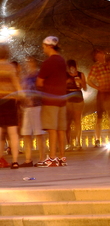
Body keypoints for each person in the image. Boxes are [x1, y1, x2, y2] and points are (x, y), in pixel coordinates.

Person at [36, 36, 69, 167]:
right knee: (61, 129)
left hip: (50, 99)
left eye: (44, 46)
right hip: (62, 99)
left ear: (49, 46)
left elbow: (39, 82)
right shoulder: (62, 61)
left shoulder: (48, 62)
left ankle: (52, 158)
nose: (43, 49)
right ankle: (62, 157)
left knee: (52, 129)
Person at [88, 49, 110, 147]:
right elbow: (89, 80)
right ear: (96, 57)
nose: (100, 57)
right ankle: (97, 139)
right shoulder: (95, 67)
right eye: (98, 56)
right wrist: (97, 87)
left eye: (101, 54)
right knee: (99, 118)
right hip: (102, 93)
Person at [19, 56, 46, 167]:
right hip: (26, 108)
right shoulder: (25, 77)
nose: (28, 64)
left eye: (30, 61)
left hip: (36, 106)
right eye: (27, 62)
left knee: (38, 133)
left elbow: (42, 89)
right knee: (26, 134)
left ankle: (42, 158)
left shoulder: (38, 75)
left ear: (34, 63)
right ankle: (28, 159)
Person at [0, 45, 21, 169]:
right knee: (13, 133)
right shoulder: (10, 67)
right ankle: (15, 161)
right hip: (10, 101)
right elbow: (16, 84)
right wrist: (22, 95)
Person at [65, 59, 87, 150]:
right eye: (70, 68)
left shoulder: (80, 74)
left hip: (78, 98)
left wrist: (81, 82)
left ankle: (78, 142)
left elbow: (85, 88)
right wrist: (67, 82)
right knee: (67, 122)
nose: (72, 70)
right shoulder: (65, 75)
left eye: (74, 68)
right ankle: (68, 143)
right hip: (68, 99)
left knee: (77, 121)